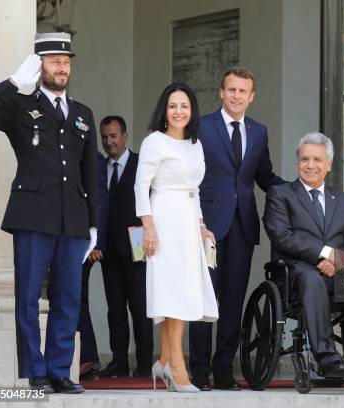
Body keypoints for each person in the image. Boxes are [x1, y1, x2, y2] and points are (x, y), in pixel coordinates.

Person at [0, 32, 97, 393]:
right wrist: (14, 83)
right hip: (32, 217)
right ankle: (36, 370)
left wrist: (94, 224)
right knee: (28, 296)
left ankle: (60, 369)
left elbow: (90, 173)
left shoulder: (83, 114)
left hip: (72, 218)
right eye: (55, 61)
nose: (62, 67)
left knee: (69, 297)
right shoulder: (19, 107)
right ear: (39, 65)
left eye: (66, 61)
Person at [263, 132, 344, 380]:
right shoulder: (280, 194)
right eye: (305, 159)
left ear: (329, 165)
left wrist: (337, 262)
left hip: (339, 274)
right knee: (312, 278)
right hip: (297, 272)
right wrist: (326, 253)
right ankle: (327, 358)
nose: (311, 165)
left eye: (318, 159)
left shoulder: (343, 200)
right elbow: (282, 236)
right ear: (297, 162)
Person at [189, 67, 283, 391]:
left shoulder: (258, 132)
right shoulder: (201, 126)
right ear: (221, 92)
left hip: (242, 226)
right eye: (231, 90)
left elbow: (265, 176)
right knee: (205, 299)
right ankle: (199, 370)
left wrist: (297, 190)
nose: (236, 96)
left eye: (243, 91)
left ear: (251, 96)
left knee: (232, 301)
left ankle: (224, 368)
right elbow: (191, 177)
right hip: (207, 228)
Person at [134, 82, 218, 393]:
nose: (179, 111)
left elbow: (194, 190)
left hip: (187, 222)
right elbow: (141, 186)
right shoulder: (154, 142)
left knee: (182, 291)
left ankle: (166, 361)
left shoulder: (195, 144)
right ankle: (176, 366)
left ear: (192, 110)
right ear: (164, 111)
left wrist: (201, 225)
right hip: (163, 219)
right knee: (171, 292)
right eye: (173, 106)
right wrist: (149, 227)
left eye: (184, 106)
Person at [98, 115, 153, 378]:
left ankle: (144, 365)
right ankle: (119, 362)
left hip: (138, 246)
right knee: (115, 309)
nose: (110, 142)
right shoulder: (99, 167)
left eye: (114, 136)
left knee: (141, 309)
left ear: (125, 136)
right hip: (109, 250)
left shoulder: (142, 162)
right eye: (105, 137)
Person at [78, 150, 110, 379]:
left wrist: (95, 242)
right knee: (75, 298)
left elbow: (100, 201)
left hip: (84, 244)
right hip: (70, 239)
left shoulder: (93, 158)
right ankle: (87, 358)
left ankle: (87, 358)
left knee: (76, 298)